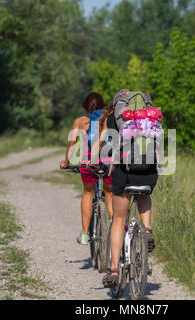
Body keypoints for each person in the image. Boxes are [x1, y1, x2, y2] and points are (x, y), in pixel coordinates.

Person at [97, 90, 158, 287]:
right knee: (144, 193)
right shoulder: (150, 118)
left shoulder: (113, 121)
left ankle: (114, 269)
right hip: (149, 171)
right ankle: (146, 228)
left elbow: (104, 146)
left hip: (123, 172)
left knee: (118, 219)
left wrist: (96, 161)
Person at [59, 92, 113, 245]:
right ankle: (116, 228)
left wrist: (67, 161)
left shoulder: (80, 121)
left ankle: (84, 234)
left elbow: (72, 144)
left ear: (85, 105)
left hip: (88, 161)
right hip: (107, 160)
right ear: (102, 105)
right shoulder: (108, 118)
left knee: (88, 193)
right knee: (109, 193)